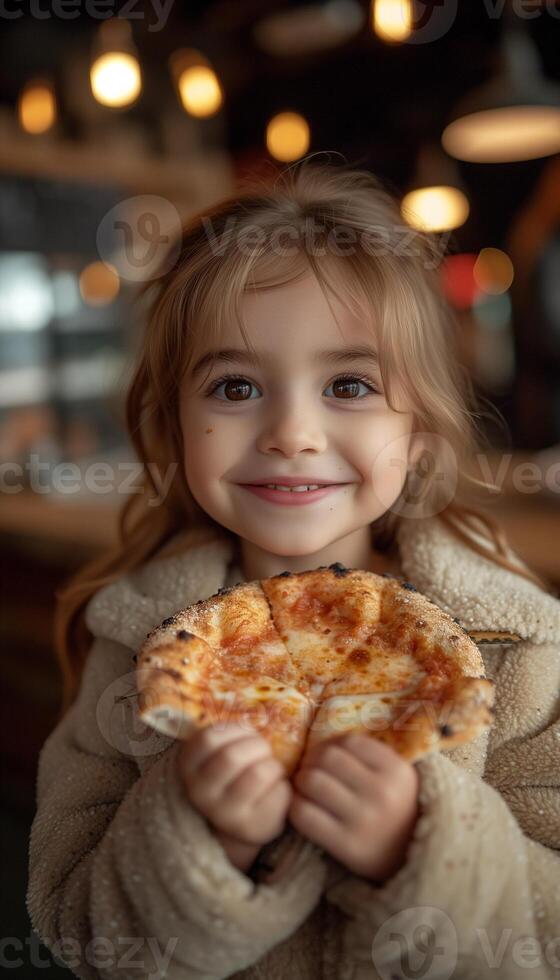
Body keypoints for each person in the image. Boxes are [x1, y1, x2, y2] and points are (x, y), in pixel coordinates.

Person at [27, 159, 560, 980]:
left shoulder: (518, 649)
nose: (292, 431)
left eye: (348, 383)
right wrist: (201, 835)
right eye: (235, 386)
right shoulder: (131, 648)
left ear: (418, 434)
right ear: (174, 430)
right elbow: (77, 928)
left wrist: (420, 849)